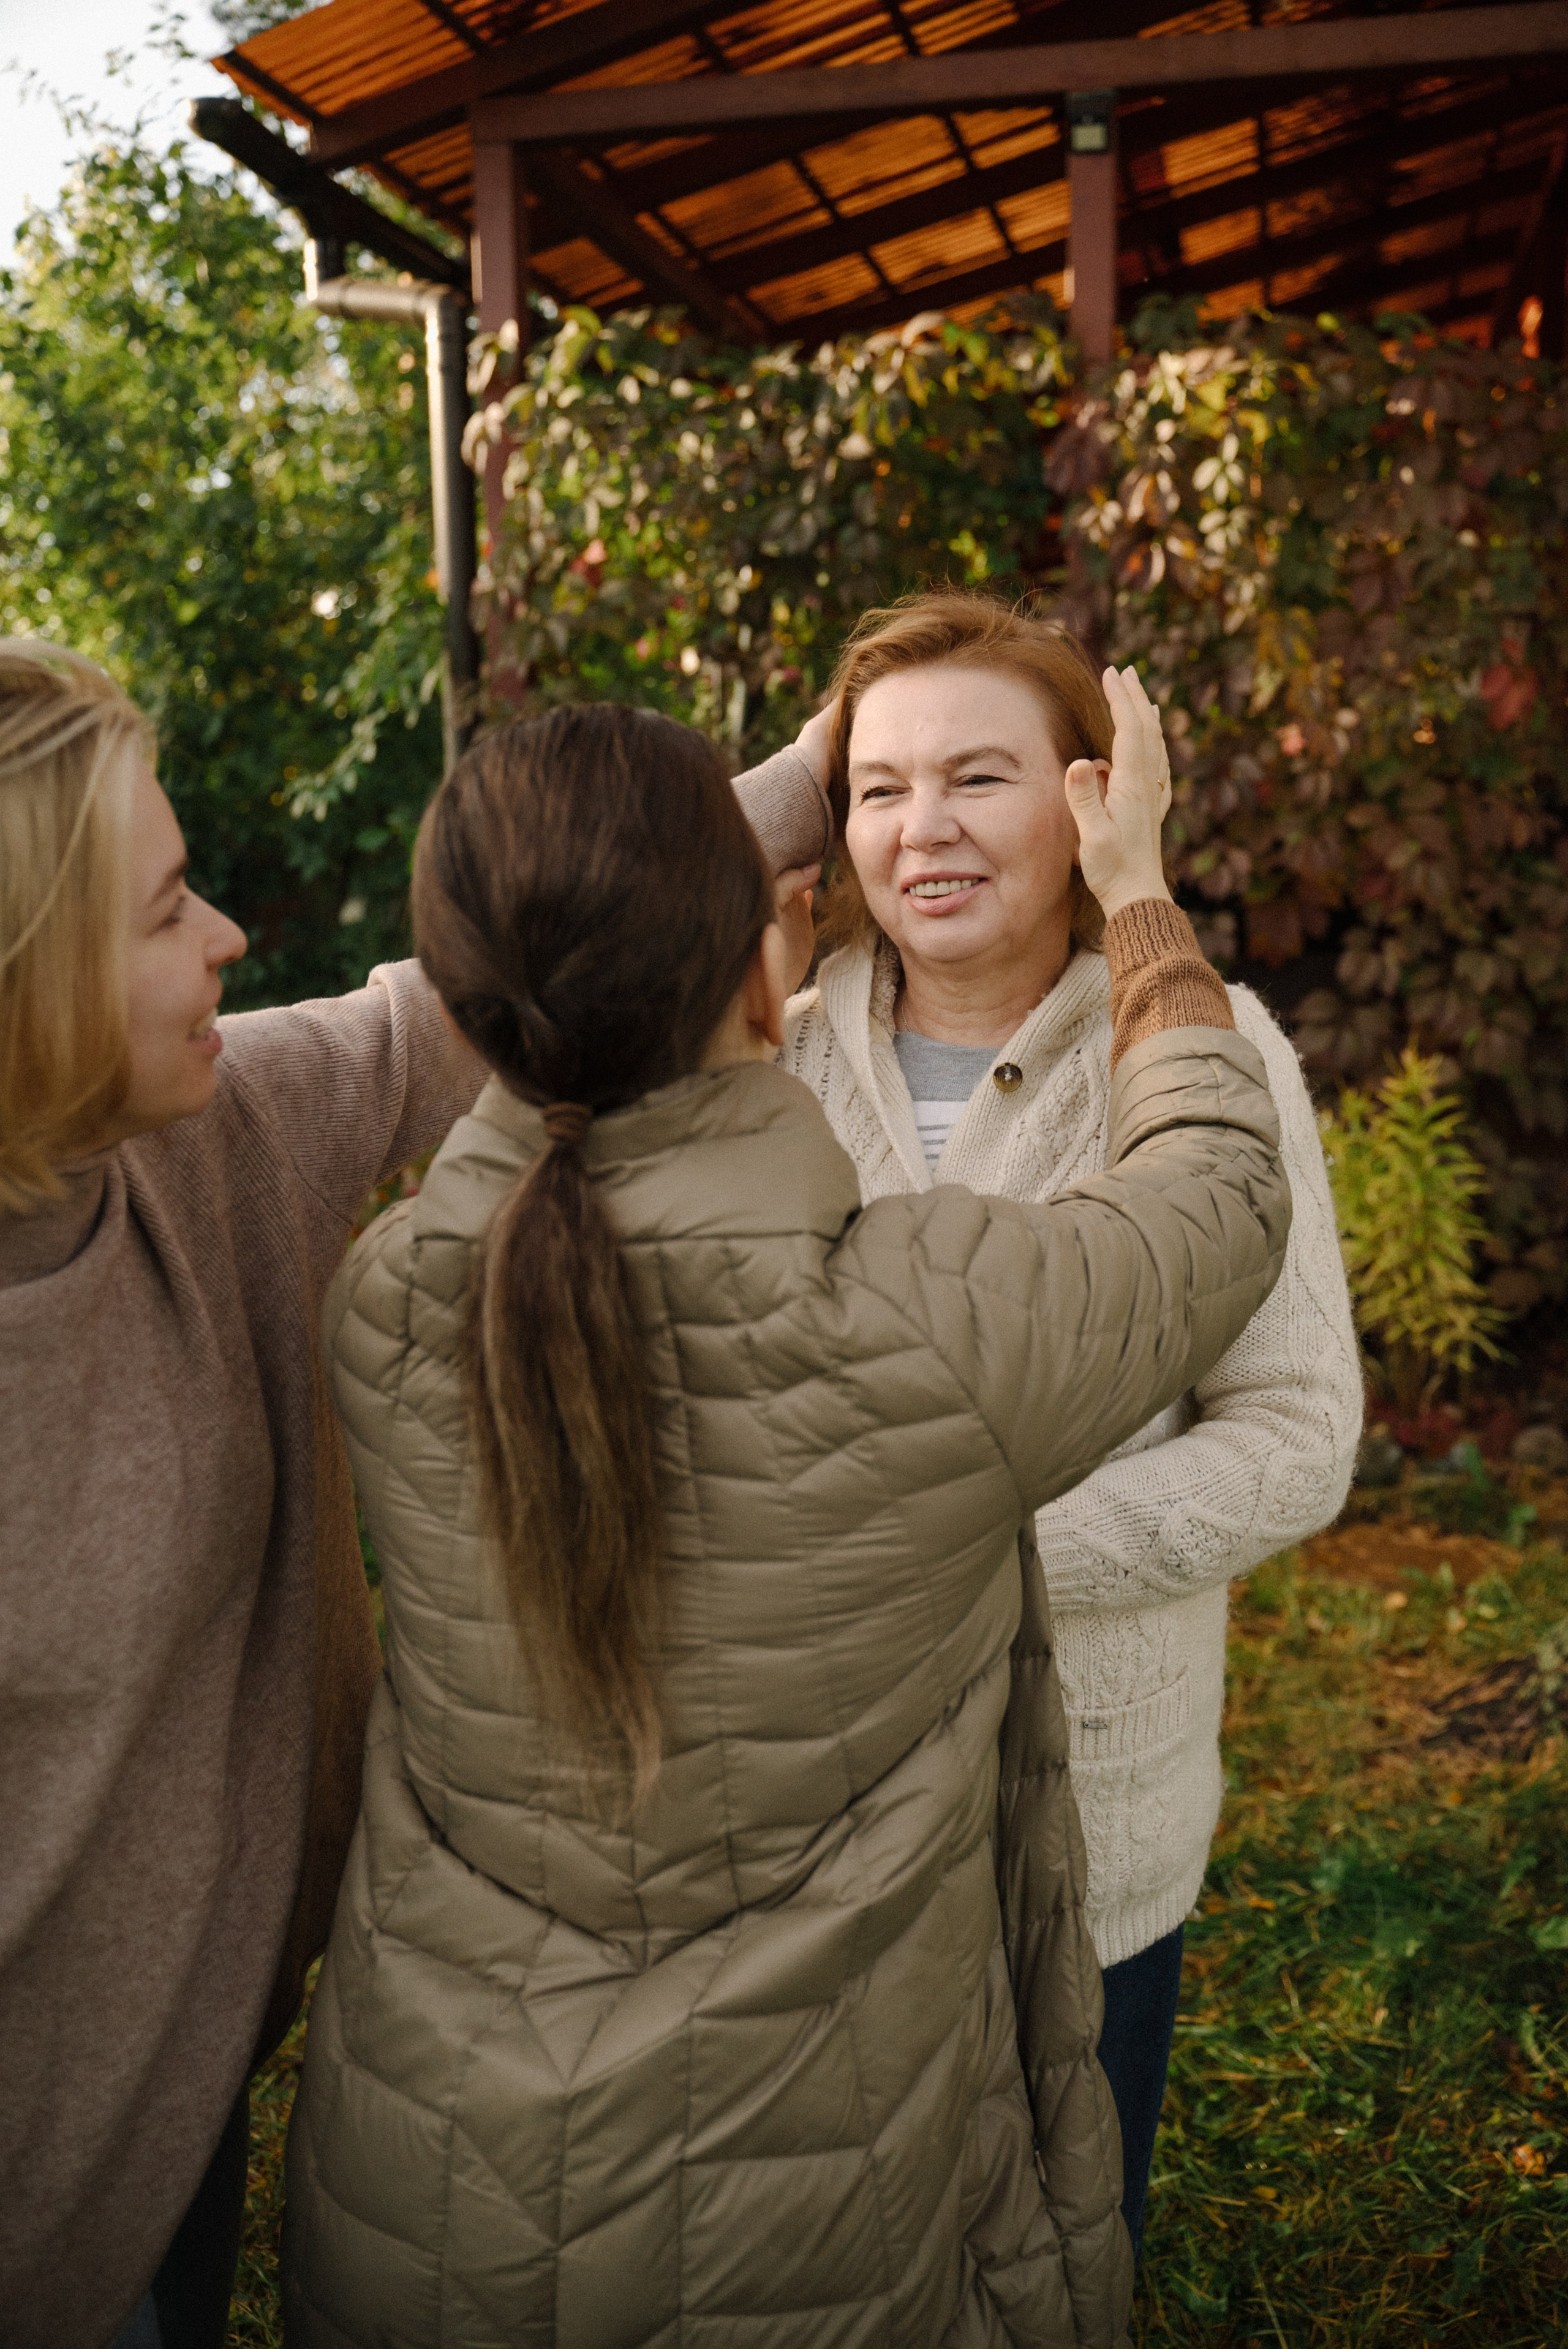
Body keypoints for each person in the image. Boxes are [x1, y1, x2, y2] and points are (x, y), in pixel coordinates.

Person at [282, 684, 1291, 2347]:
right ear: (770, 963)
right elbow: (1217, 1192)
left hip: (436, 2178)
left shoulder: (392, 1302)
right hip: (813, 2222)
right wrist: (1141, 898)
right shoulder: (924, 1321)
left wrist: (692, 882)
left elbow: (546, 1045)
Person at [737, 590, 1362, 2257]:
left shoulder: (1211, 1064)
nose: (921, 828)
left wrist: (988, 1546)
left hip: (1090, 1823)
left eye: (977, 777)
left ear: (1090, 799)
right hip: (795, 1820)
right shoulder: (762, 1071)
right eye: (876, 787)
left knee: (1052, 2244)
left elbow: (1299, 1432)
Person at [0, 638, 495, 2349]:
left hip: (192, 2100)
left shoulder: (210, 1134)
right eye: (162, 911)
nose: (223, 936)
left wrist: (832, 772)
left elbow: (453, 1014)